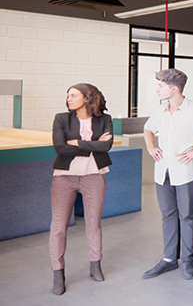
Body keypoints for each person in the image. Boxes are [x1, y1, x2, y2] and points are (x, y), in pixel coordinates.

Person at [142, 69, 193, 280]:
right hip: (163, 171)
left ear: (174, 88)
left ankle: (187, 260)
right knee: (167, 215)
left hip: (185, 170)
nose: (157, 89)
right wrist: (151, 146)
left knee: (187, 216)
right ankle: (169, 259)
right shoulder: (161, 111)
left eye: (160, 85)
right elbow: (147, 128)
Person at [49, 83, 114, 295]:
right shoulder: (61, 118)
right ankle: (58, 272)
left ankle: (95, 265)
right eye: (67, 95)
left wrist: (76, 142)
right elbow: (60, 147)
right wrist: (91, 145)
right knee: (58, 226)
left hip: (94, 175)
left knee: (93, 223)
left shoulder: (104, 119)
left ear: (86, 98)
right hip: (64, 178)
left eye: (73, 95)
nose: (68, 99)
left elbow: (106, 146)